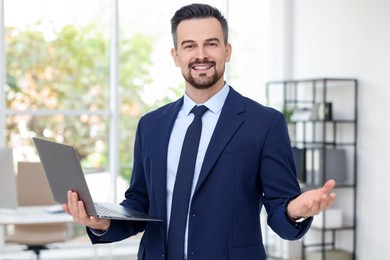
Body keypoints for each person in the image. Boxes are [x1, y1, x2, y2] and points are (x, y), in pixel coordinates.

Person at [63, 3, 336, 260]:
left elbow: (280, 214)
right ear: (176, 55)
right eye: (189, 45)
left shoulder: (264, 123)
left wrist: (294, 211)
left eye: (211, 44)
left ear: (227, 51)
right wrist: (101, 222)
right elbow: (140, 203)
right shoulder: (151, 125)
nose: (201, 55)